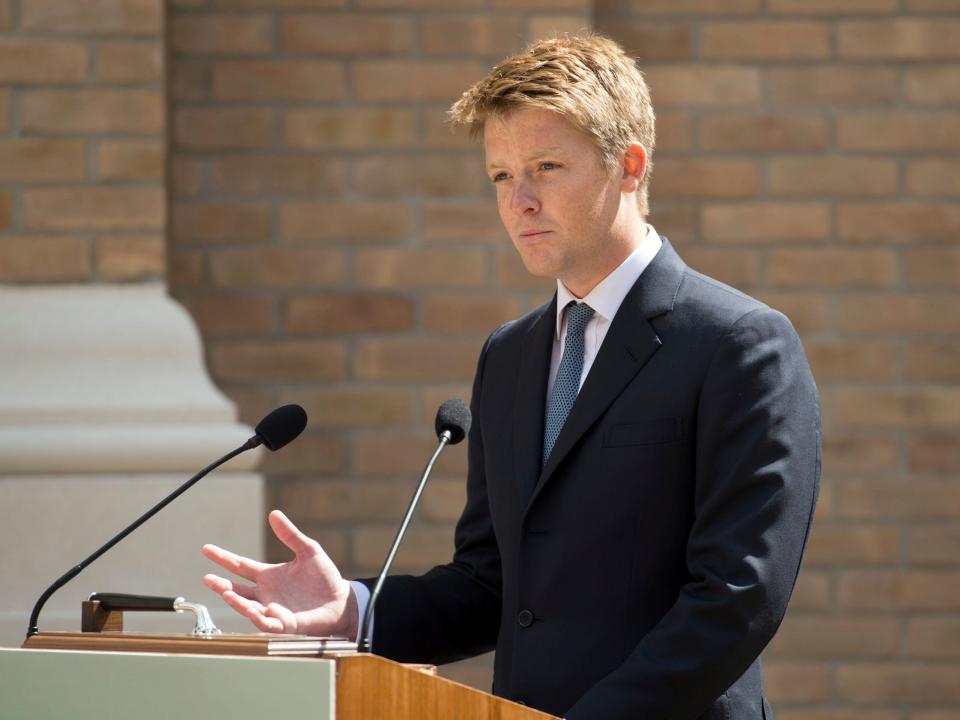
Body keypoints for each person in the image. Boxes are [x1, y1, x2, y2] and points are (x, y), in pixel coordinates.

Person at [203, 33, 820, 720]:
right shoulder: (510, 355)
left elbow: (737, 599)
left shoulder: (739, 345)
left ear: (630, 166)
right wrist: (355, 607)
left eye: (546, 166)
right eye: (500, 175)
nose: (518, 200)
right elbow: (493, 585)